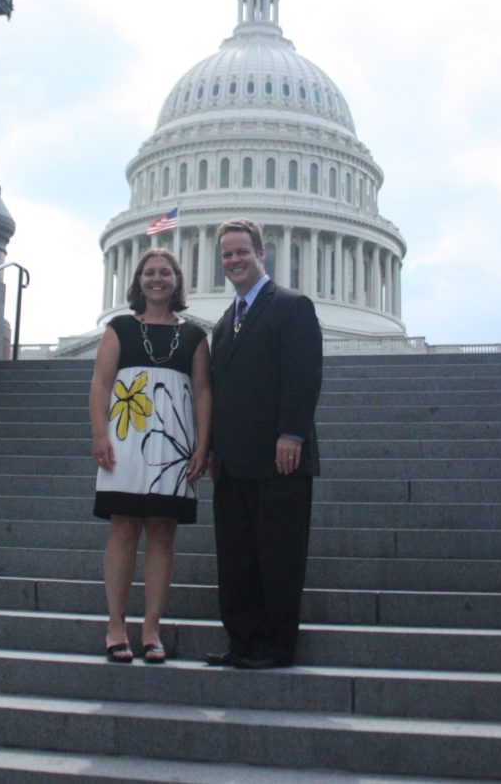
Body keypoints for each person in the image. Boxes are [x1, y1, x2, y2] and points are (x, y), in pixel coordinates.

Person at [206, 218, 323, 669]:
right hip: (234, 462)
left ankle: (275, 646)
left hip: (280, 458)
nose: (234, 261)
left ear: (262, 253)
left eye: (241, 252)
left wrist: (292, 432)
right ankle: (242, 642)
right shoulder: (224, 322)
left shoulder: (291, 306)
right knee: (236, 558)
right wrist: (214, 448)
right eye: (227, 255)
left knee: (278, 556)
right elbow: (221, 389)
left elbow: (303, 375)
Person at [90, 248, 212, 664]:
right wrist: (99, 435)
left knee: (163, 532)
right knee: (123, 529)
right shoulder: (120, 328)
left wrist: (203, 445)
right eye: (149, 273)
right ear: (138, 280)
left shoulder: (194, 335)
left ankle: (152, 628)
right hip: (125, 437)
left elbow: (202, 392)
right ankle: (116, 624)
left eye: (165, 273)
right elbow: (101, 383)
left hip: (174, 445)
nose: (157, 279)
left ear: (177, 280)